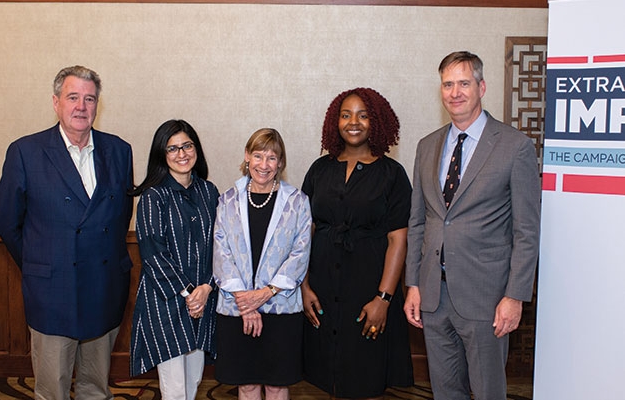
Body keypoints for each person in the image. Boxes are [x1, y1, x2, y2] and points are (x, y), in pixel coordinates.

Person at [403, 51, 541, 400]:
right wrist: (413, 284)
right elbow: (418, 221)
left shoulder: (515, 147)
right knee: (445, 392)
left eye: (464, 83)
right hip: (434, 295)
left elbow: (527, 231)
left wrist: (515, 296)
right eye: (447, 84)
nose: (455, 92)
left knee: (487, 391)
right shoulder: (427, 146)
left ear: (481, 87)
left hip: (487, 297)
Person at [0, 65, 134, 399]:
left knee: (96, 388)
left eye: (89, 99)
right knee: (52, 390)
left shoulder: (119, 151)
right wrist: (39, 263)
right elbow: (7, 222)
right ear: (56, 102)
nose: (81, 107)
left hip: (103, 288)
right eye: (73, 97)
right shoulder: (26, 152)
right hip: (52, 292)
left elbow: (119, 219)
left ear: (97, 105)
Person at [301, 87, 414, 399]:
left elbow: (398, 240)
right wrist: (303, 286)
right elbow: (302, 233)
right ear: (334, 122)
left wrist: (383, 300)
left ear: (376, 122)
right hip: (321, 288)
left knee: (366, 376)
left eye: (364, 115)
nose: (354, 122)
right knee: (326, 377)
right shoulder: (319, 169)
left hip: (368, 288)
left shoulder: (392, 174)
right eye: (346, 114)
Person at [213, 128, 311, 400]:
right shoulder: (227, 200)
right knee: (246, 384)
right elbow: (221, 253)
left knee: (278, 385)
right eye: (258, 156)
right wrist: (246, 302)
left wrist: (264, 294)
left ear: (281, 162)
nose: (264, 165)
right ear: (247, 157)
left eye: (272, 158)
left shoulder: (297, 202)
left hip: (281, 309)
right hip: (236, 307)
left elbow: (300, 254)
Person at [129, 119, 219, 399]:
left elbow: (222, 246)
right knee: (175, 390)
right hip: (166, 303)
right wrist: (190, 293)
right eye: (172, 148)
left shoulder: (210, 192)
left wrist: (206, 288)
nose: (182, 154)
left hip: (204, 301)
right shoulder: (153, 197)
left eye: (187, 145)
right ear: (161, 154)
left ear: (196, 148)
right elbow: (154, 255)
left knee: (192, 383)